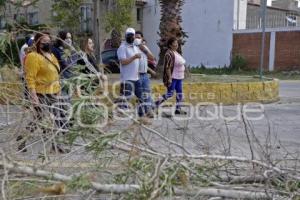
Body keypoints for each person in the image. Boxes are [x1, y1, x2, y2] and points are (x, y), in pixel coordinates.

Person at [17, 31, 69, 153]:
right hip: (41, 93)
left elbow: (56, 73)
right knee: (42, 120)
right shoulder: (33, 57)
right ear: (38, 42)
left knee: (53, 119)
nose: (47, 43)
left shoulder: (51, 55)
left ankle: (55, 146)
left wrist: (58, 90)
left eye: (48, 40)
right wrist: (33, 96)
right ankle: (22, 139)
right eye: (44, 41)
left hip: (54, 92)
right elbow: (30, 78)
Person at [117, 28, 146, 119]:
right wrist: (134, 57)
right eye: (129, 35)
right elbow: (123, 62)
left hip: (136, 77)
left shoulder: (135, 46)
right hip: (127, 78)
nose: (131, 37)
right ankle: (121, 113)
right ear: (126, 36)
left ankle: (141, 114)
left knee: (140, 96)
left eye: (132, 35)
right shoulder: (122, 48)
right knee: (126, 98)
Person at [155, 37, 187, 115]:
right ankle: (156, 104)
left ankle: (178, 109)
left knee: (179, 93)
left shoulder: (176, 52)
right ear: (170, 45)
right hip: (173, 77)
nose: (176, 45)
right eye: (174, 44)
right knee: (170, 93)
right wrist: (169, 78)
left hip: (179, 77)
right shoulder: (169, 54)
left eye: (177, 43)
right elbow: (168, 67)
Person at [134, 31, 155, 117]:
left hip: (145, 74)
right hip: (136, 74)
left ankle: (148, 111)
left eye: (139, 37)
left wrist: (143, 49)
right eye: (135, 37)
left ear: (142, 38)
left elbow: (152, 58)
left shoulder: (144, 48)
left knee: (147, 92)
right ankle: (141, 112)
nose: (137, 39)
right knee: (140, 94)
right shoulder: (132, 48)